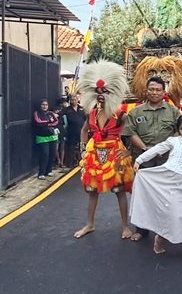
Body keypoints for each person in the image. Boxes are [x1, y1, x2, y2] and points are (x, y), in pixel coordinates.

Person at [129, 114, 182, 260]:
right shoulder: (173, 141)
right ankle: (160, 238)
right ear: (178, 130)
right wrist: (140, 160)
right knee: (168, 212)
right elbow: (156, 149)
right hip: (167, 179)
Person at [73, 60, 134, 240]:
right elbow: (84, 131)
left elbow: (131, 134)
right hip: (94, 155)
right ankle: (89, 224)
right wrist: (84, 149)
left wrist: (129, 151)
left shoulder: (121, 115)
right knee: (92, 191)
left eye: (105, 92)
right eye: (97, 92)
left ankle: (125, 226)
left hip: (115, 155)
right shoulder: (91, 113)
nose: (100, 96)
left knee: (119, 191)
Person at [122, 75, 180, 241]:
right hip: (144, 161)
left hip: (167, 161)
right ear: (146, 91)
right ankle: (142, 229)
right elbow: (130, 133)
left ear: (163, 92)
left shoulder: (173, 111)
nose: (155, 93)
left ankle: (168, 229)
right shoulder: (135, 112)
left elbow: (180, 131)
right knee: (143, 197)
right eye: (152, 89)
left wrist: (168, 146)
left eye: (158, 90)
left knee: (168, 195)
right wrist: (146, 150)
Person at [33, 99, 59, 180]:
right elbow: (38, 122)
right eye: (43, 105)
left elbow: (56, 122)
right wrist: (48, 123)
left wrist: (46, 123)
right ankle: (41, 173)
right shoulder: (37, 113)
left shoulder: (50, 113)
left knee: (52, 154)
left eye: (46, 105)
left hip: (52, 137)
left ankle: (49, 171)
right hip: (42, 138)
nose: (44, 106)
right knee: (45, 154)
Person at [60, 94, 86, 168]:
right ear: (70, 101)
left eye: (75, 100)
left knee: (82, 147)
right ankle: (70, 163)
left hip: (81, 131)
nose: (73, 101)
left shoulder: (82, 109)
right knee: (71, 147)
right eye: (72, 100)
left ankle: (83, 161)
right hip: (71, 131)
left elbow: (87, 118)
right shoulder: (67, 109)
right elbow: (59, 114)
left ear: (77, 100)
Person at [55, 97, 69, 168]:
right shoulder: (62, 111)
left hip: (60, 130)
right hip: (59, 130)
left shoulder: (63, 111)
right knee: (60, 147)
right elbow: (65, 123)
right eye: (65, 102)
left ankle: (60, 161)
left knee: (59, 147)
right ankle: (60, 161)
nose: (66, 104)